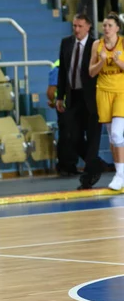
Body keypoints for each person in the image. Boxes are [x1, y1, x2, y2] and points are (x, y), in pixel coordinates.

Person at [56, 13, 102, 189]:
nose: (76, 29)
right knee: (72, 135)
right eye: (74, 25)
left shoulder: (95, 45)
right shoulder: (66, 43)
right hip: (73, 95)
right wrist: (61, 96)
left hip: (92, 98)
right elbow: (62, 71)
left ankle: (89, 176)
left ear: (88, 27)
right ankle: (95, 165)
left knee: (92, 137)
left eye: (80, 26)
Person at [89, 13, 124, 190]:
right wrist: (102, 61)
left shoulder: (123, 43)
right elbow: (91, 72)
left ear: (117, 28)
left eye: (110, 25)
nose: (106, 28)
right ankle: (120, 172)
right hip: (103, 91)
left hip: (121, 91)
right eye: (104, 25)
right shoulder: (97, 45)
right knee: (112, 136)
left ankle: (120, 175)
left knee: (118, 134)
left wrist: (119, 62)